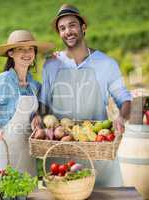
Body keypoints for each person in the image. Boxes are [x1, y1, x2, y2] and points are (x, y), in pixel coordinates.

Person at [32, 4, 132, 186]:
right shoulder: (51, 65)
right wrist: (39, 115)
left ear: (83, 27)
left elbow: (125, 99)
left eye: (72, 25)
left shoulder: (106, 64)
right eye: (62, 28)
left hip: (99, 151)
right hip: (62, 156)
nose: (67, 31)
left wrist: (121, 118)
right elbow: (44, 101)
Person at [0, 30, 54, 176]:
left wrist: (36, 117)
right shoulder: (4, 81)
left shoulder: (33, 84)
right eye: (21, 49)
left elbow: (39, 108)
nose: (27, 53)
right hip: (6, 155)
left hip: (28, 156)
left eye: (30, 49)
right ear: (11, 53)